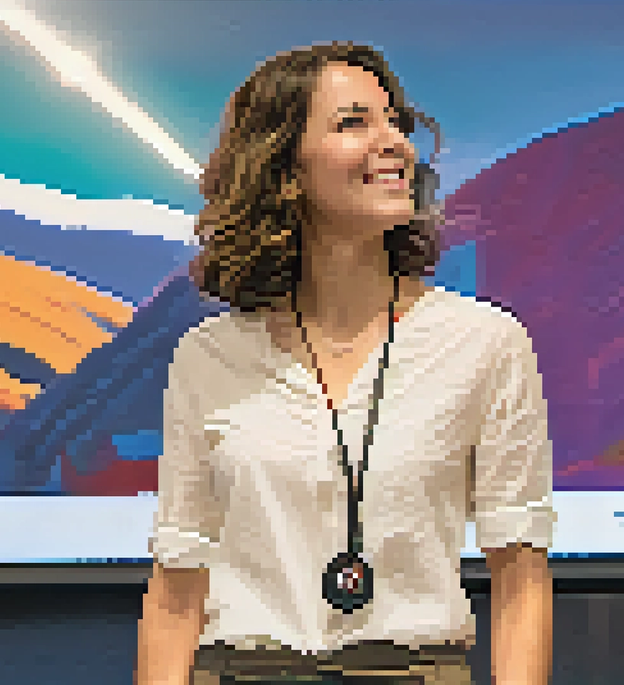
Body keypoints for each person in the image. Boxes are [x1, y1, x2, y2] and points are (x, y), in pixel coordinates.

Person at [136, 42, 554, 684]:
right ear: (284, 168)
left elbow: (521, 580)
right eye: (354, 123)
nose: (395, 145)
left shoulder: (486, 343)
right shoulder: (208, 356)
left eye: (396, 124)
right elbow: (175, 588)